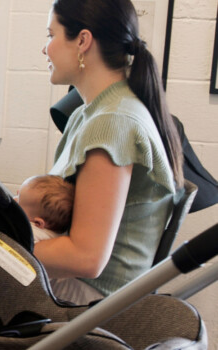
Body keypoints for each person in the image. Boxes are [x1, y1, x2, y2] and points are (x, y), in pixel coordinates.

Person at [36, 0, 184, 304]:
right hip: (76, 283)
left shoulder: (113, 122)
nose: (45, 49)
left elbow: (86, 258)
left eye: (51, 36)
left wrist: (1, 243)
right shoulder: (89, 114)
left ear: (82, 41)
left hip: (94, 300)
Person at [16, 175, 74, 242]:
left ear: (38, 223)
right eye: (18, 194)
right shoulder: (62, 234)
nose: (14, 199)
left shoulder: (32, 233)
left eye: (18, 201)